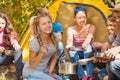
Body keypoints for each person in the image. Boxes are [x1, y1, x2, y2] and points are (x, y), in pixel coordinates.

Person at [22, 12, 62, 80]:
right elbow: (32, 65)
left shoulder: (56, 37)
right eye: (43, 24)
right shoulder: (35, 42)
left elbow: (55, 56)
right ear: (38, 27)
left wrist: (50, 73)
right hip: (30, 72)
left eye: (49, 22)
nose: (48, 25)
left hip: (43, 71)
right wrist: (41, 53)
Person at [65, 6, 96, 80]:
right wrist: (69, 45)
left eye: (84, 17)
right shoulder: (71, 29)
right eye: (79, 18)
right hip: (78, 53)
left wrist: (85, 44)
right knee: (72, 51)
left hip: (88, 53)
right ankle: (82, 77)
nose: (82, 20)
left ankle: (90, 76)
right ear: (74, 19)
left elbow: (89, 37)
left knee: (88, 47)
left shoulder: (91, 27)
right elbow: (70, 40)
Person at [0, 12, 24, 80]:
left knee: (18, 49)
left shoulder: (8, 31)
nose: (0, 25)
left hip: (5, 56)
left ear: (6, 24)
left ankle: (20, 76)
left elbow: (13, 40)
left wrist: (15, 44)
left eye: (3, 23)